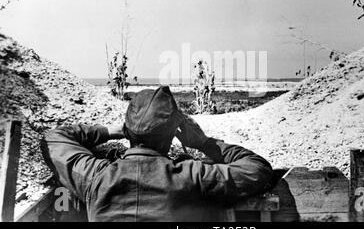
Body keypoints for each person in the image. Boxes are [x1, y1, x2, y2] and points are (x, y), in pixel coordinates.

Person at [41, 85, 273, 221]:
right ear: (174, 134)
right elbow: (257, 169)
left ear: (128, 131)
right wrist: (204, 143)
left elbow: (53, 138)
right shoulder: (192, 176)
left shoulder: (97, 177)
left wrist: (112, 131)